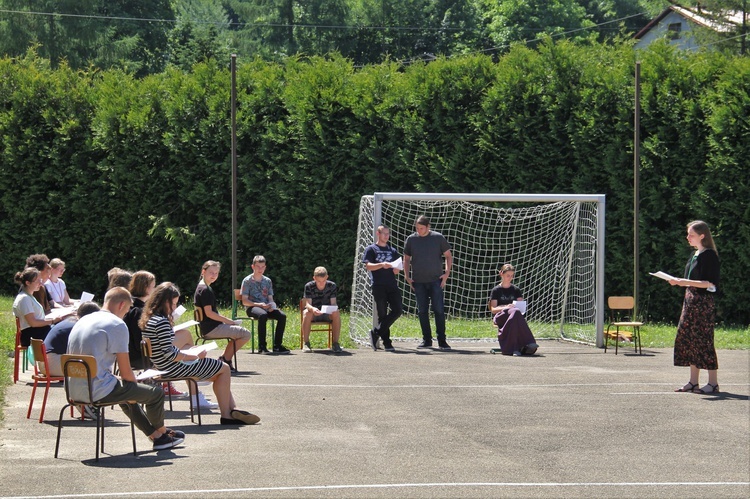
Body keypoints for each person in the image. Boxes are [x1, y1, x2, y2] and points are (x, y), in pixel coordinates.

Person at [67, 287, 185, 450]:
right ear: (122, 304)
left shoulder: (83, 320)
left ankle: (157, 436)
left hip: (74, 389)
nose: (128, 312)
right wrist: (133, 383)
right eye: (128, 308)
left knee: (126, 394)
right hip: (97, 390)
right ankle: (162, 432)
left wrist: (125, 383)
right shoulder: (116, 324)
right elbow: (126, 371)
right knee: (156, 393)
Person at [141, 282, 260, 425]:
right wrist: (193, 356)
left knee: (219, 370)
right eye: (173, 304)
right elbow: (169, 353)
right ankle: (227, 414)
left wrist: (189, 352)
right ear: (164, 302)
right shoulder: (161, 322)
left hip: (163, 365)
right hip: (173, 367)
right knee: (224, 368)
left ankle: (232, 410)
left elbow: (166, 350)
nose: (174, 308)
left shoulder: (149, 320)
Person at [669, 220, 721, 394]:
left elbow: (709, 283)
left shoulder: (709, 255)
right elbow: (690, 281)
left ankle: (713, 383)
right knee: (689, 339)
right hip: (690, 301)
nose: (688, 237)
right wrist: (678, 282)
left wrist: (684, 281)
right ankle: (693, 382)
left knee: (704, 340)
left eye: (691, 234)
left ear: (702, 235)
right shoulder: (695, 255)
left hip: (703, 304)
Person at [403, 215, 453, 350]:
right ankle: (427, 340)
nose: (419, 231)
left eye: (422, 228)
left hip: (436, 281)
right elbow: (406, 258)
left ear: (428, 226)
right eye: (417, 228)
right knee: (422, 311)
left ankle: (442, 340)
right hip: (418, 282)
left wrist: (446, 273)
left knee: (439, 311)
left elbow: (448, 255)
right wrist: (407, 276)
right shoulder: (411, 239)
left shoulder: (438, 238)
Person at [194, 260, 251, 369]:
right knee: (245, 334)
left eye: (216, 273)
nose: (214, 275)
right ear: (203, 272)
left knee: (238, 332)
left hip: (209, 327)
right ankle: (225, 359)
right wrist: (229, 321)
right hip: (211, 328)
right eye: (211, 272)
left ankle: (225, 359)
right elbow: (209, 313)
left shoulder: (202, 287)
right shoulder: (205, 290)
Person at [362, 225, 402, 352]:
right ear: (378, 234)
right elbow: (368, 266)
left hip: (392, 285)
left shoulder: (392, 251)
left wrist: (397, 269)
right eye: (384, 233)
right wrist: (381, 265)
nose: (386, 236)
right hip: (378, 285)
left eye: (388, 234)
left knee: (398, 310)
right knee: (382, 314)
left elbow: (397, 269)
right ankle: (387, 343)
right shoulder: (371, 249)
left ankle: (376, 332)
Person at [241, 255, 289, 354]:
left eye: (262, 267)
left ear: (265, 267)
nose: (260, 269)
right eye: (258, 267)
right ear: (253, 267)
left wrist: (272, 306)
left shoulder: (267, 281)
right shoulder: (247, 281)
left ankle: (277, 346)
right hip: (252, 308)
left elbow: (270, 298)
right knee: (263, 315)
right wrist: (259, 305)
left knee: (282, 316)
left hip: (266, 307)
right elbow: (244, 301)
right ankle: (262, 347)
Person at [488, 264, 538, 356]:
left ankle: (514, 349)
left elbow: (520, 306)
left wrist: (514, 308)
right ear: (501, 274)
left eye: (512, 276)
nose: (510, 278)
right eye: (508, 275)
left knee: (515, 312)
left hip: (514, 316)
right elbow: (493, 309)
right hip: (500, 316)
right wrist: (506, 307)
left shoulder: (516, 290)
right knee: (514, 312)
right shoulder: (496, 290)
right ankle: (529, 342)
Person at [44, 301, 101, 377]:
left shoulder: (69, 322)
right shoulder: (78, 326)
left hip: (46, 362)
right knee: (96, 368)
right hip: (52, 365)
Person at [13, 267, 63, 346]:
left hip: (37, 331)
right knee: (62, 333)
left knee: (61, 328)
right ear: (28, 283)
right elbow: (33, 323)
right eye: (37, 281)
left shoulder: (29, 296)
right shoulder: (24, 298)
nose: (41, 283)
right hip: (31, 335)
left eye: (40, 280)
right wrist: (53, 321)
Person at [301, 267, 343, 353]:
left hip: (327, 313)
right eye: (319, 281)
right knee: (306, 313)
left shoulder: (332, 286)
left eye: (323, 281)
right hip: (313, 313)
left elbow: (333, 302)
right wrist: (313, 309)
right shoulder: (309, 286)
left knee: (336, 313)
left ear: (327, 277)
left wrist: (334, 308)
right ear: (314, 278)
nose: (321, 284)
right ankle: (306, 343)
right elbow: (307, 304)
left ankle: (335, 343)